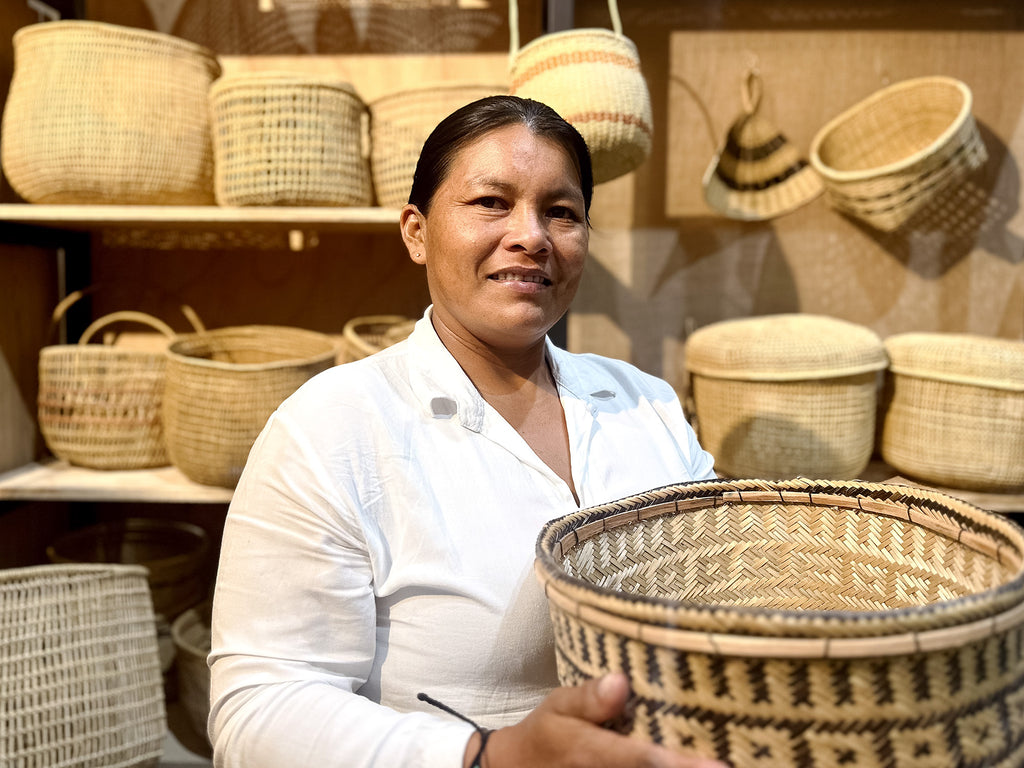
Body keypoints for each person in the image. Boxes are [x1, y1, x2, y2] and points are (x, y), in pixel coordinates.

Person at [208, 95, 723, 768]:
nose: (531, 235)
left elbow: (727, 588)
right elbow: (257, 712)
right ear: (417, 232)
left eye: (561, 212)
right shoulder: (331, 428)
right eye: (491, 203)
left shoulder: (644, 403)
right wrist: (493, 754)